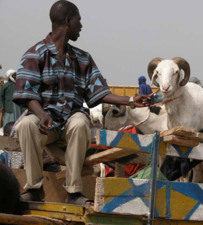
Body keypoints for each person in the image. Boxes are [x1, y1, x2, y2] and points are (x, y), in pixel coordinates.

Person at [12, 0, 151, 205]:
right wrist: (42, 115)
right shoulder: (34, 54)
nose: (82, 26)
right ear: (68, 21)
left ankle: (74, 192)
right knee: (25, 125)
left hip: (71, 121)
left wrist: (130, 100)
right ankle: (34, 188)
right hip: (45, 123)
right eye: (79, 20)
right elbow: (26, 93)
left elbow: (99, 92)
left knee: (79, 122)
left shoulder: (82, 58)